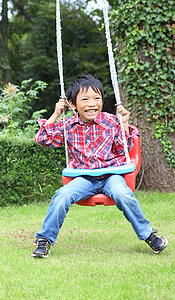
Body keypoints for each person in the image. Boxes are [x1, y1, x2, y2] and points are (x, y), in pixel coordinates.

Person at [32, 74, 168, 258]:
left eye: (97, 98)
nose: (92, 104)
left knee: (123, 194)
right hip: (84, 179)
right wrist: (56, 113)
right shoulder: (69, 125)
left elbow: (123, 149)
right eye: (85, 99)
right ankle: (44, 241)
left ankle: (149, 235)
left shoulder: (111, 122)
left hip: (112, 176)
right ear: (72, 104)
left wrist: (124, 124)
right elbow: (42, 138)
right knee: (62, 195)